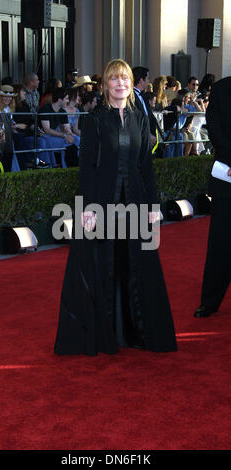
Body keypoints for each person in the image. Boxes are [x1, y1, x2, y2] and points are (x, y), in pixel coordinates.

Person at [54, 58, 177, 356]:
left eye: (125, 79)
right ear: (106, 84)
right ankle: (103, 333)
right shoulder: (94, 119)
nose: (120, 83)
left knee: (136, 265)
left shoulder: (140, 117)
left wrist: (152, 203)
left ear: (131, 83)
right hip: (103, 201)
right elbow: (87, 170)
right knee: (102, 265)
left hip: (135, 199)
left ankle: (137, 332)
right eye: (114, 79)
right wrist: (86, 208)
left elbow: (146, 165)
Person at [194, 77, 231, 318]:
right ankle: (210, 301)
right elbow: (214, 129)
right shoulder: (221, 89)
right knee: (220, 242)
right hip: (226, 177)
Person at [38, 86, 78, 168]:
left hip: (56, 136)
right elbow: (47, 130)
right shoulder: (45, 109)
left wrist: (69, 133)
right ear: (60, 100)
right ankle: (67, 168)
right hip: (44, 137)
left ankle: (80, 166)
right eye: (66, 99)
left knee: (78, 140)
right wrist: (64, 135)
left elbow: (67, 128)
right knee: (67, 143)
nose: (68, 101)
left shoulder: (62, 111)